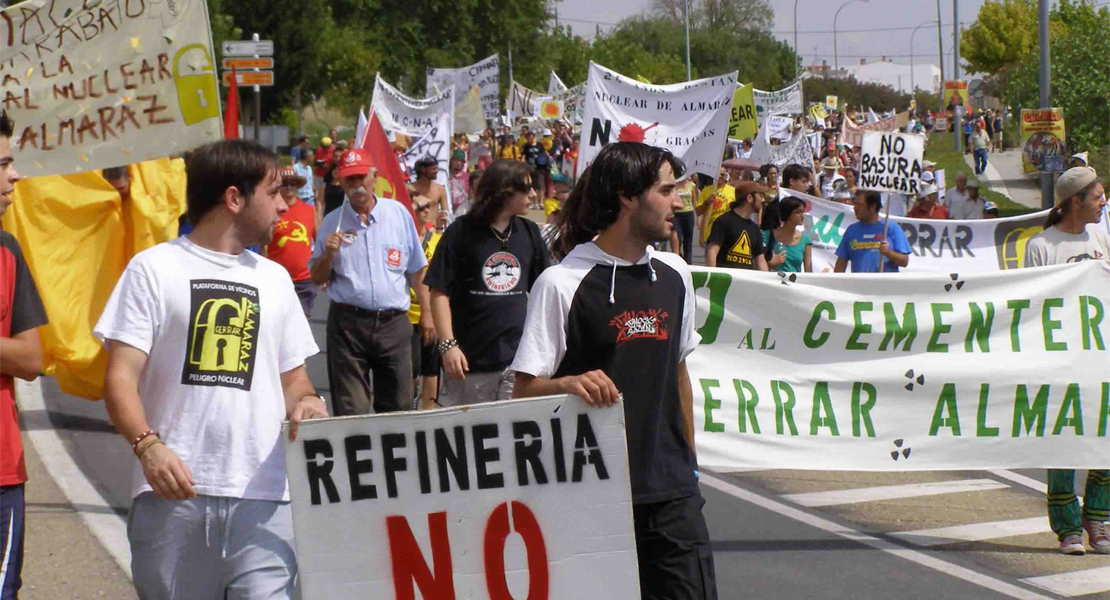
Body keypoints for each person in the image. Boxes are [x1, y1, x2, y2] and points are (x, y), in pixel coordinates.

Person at [95, 139, 328, 599]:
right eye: (273, 192)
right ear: (234, 198)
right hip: (172, 499)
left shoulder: (275, 279)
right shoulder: (152, 269)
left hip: (265, 501)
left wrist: (309, 404)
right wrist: (148, 447)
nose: (284, 205)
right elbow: (120, 378)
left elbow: (295, 382)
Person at [511, 142, 717, 600]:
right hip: (591, 499)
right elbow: (523, 394)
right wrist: (566, 383)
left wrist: (689, 464)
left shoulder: (676, 274)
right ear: (628, 196)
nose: (679, 203)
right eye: (667, 191)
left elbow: (679, 372)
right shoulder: (562, 283)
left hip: (673, 495)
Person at [1022, 166, 1109, 555]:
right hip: (1059, 360)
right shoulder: (1042, 246)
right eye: (1097, 196)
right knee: (1063, 442)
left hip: (1101, 358)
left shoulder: (1102, 238)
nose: (1103, 202)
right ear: (1075, 201)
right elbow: (1027, 305)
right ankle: (1068, 527)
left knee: (1105, 440)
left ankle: (1099, 518)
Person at [310, 148, 434, 415]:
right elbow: (317, 277)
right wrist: (328, 256)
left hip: (394, 325)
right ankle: (356, 457)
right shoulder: (333, 223)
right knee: (351, 409)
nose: (356, 185)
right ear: (340, 182)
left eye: (360, 177)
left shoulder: (398, 214)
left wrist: (427, 313)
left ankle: (394, 458)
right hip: (348, 327)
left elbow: (416, 271)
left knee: (398, 408)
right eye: (348, 180)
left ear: (374, 177)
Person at [426, 160, 549, 406]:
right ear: (505, 191)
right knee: (474, 439)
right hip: (470, 364)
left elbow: (543, 291)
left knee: (515, 437)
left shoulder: (530, 232)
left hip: (518, 362)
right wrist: (447, 345)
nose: (533, 194)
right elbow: (438, 291)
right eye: (526, 188)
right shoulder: (460, 233)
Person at [0, 108, 47, 600]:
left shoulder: (8, 250)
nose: (14, 175)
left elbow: (31, 360)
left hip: (3, 470)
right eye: (4, 163)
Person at [263, 167, 318, 317]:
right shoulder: (269, 211)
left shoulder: (310, 210)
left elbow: (319, 241)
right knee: (276, 321)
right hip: (277, 278)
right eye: (285, 183)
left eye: (292, 183)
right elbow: (262, 247)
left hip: (304, 280)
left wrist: (324, 270)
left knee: (301, 323)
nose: (289, 187)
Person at [408, 195, 445, 410]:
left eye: (427, 206)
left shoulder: (438, 240)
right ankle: (410, 407)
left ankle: (429, 412)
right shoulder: (403, 238)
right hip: (407, 313)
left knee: (431, 368)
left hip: (432, 312)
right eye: (418, 207)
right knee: (411, 368)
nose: (423, 210)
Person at [834, 190, 912, 273]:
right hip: (859, 285)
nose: (855, 207)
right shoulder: (851, 230)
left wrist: (888, 253)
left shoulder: (891, 228)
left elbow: (904, 262)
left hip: (885, 284)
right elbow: (841, 264)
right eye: (855, 203)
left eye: (859, 204)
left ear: (873, 206)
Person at [707, 181, 770, 271]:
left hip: (746, 282)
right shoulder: (723, 221)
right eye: (760, 196)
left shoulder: (755, 229)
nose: (763, 200)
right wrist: (712, 276)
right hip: (726, 280)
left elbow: (761, 261)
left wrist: (767, 282)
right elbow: (712, 251)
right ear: (749, 198)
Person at [763, 195, 813, 272]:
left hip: (795, 282)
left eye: (803, 212)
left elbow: (808, 270)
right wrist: (770, 262)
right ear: (787, 213)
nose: (802, 216)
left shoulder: (806, 240)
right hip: (772, 282)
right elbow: (756, 262)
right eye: (798, 212)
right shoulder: (767, 235)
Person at [696, 167, 735, 247]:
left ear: (726, 176)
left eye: (722, 174)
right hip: (710, 233)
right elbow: (698, 212)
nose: (720, 176)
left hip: (727, 232)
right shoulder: (706, 190)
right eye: (718, 174)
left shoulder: (733, 191)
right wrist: (706, 202)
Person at [765, 164, 808, 231]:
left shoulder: (807, 204)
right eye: (804, 182)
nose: (807, 186)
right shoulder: (774, 207)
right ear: (792, 181)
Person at [671, 175, 698, 264]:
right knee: (678, 239)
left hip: (688, 214)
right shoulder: (673, 185)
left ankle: (688, 262)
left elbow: (694, 202)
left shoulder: (691, 185)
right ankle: (678, 259)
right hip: (676, 215)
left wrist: (699, 218)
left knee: (688, 240)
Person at [293, 148, 319, 225]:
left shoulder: (309, 168)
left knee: (312, 218)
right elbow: (292, 183)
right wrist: (296, 195)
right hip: (299, 198)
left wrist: (316, 191)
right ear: (307, 156)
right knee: (300, 219)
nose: (313, 157)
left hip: (310, 197)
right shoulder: (295, 168)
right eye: (312, 155)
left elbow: (310, 182)